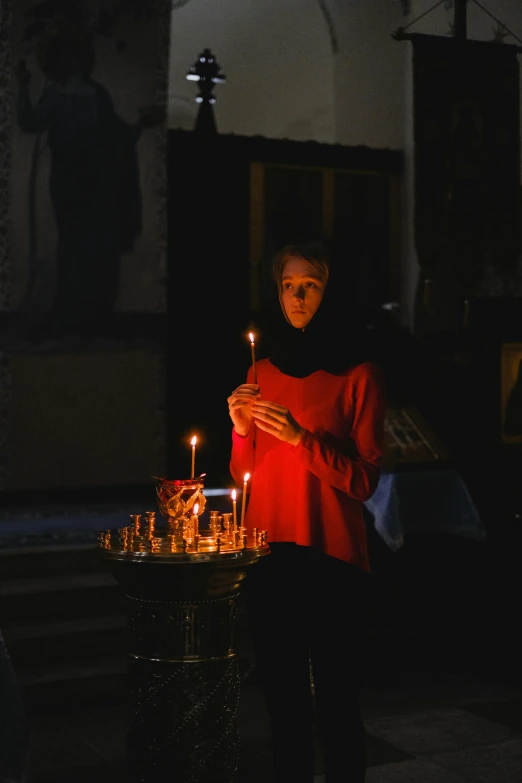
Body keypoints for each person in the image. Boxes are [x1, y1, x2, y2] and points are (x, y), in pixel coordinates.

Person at [227, 239, 386, 782]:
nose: (296, 296)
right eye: (287, 286)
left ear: (330, 290)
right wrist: (240, 428)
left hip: (333, 557)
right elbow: (243, 471)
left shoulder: (358, 373)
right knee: (284, 712)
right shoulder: (261, 373)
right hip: (270, 556)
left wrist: (301, 439)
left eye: (310, 285)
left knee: (338, 711)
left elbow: (364, 481)